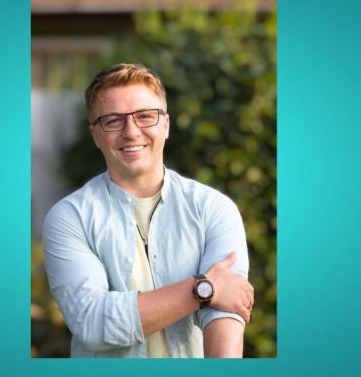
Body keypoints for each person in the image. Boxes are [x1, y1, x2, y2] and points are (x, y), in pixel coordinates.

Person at [42, 63, 254, 358]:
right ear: (96, 135)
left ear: (165, 125)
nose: (131, 132)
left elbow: (225, 313)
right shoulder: (70, 218)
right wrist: (203, 289)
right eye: (113, 120)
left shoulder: (214, 209)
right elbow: (91, 322)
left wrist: (214, 292)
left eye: (145, 116)